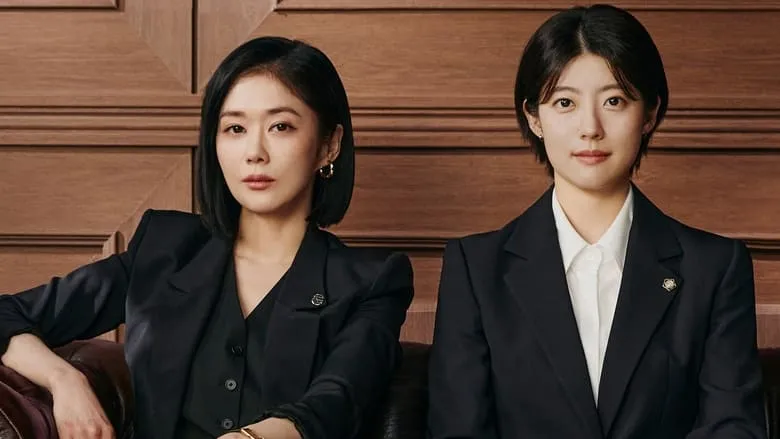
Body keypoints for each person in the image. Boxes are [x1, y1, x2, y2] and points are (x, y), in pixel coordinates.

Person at [0, 36, 414, 439]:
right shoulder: (165, 250)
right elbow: (8, 314)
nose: (254, 152)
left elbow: (338, 401)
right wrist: (64, 379)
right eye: (235, 128)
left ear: (329, 146)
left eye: (280, 126)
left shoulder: (373, 281)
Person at [427, 4, 766, 438]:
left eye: (614, 101)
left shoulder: (714, 268)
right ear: (534, 117)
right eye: (565, 102)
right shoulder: (476, 270)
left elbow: (732, 426)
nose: (590, 127)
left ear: (650, 113)